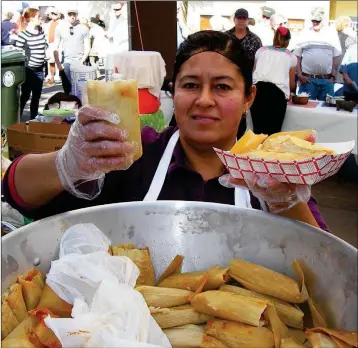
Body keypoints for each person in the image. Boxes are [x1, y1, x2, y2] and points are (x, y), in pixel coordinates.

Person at [3, 31, 327, 232]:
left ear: (249, 98)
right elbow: (18, 193)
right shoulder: (135, 152)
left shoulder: (272, 170)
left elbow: (321, 257)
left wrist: (285, 201)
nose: (204, 100)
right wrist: (66, 163)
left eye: (222, 86)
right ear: (173, 93)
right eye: (190, 85)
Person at [250, 27, 296, 135]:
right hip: (277, 94)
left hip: (258, 91)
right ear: (288, 40)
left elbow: (254, 71)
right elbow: (292, 83)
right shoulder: (291, 56)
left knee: (258, 131)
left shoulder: (261, 51)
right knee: (273, 133)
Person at [226, 8, 262, 139]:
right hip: (226, 79)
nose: (241, 21)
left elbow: (259, 62)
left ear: (247, 20)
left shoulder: (255, 40)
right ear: (234, 19)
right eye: (239, 18)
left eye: (243, 18)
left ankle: (239, 139)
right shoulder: (225, 37)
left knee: (242, 109)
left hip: (246, 79)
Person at [294, 7, 341, 101]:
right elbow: (297, 57)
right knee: (305, 111)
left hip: (327, 81)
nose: (315, 23)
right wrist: (299, 75)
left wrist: (333, 76)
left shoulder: (331, 34)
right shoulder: (304, 33)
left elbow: (336, 57)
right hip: (307, 80)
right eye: (313, 20)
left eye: (317, 21)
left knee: (327, 111)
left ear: (323, 20)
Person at [15, 8, 47, 120]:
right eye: (39, 16)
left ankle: (34, 120)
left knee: (37, 97)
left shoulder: (41, 30)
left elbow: (44, 45)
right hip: (29, 70)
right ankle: (17, 119)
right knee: (25, 96)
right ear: (32, 18)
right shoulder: (23, 34)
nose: (41, 18)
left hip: (40, 69)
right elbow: (18, 52)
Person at [53, 9, 90, 95]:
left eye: (74, 14)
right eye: (70, 14)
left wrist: (82, 61)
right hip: (66, 63)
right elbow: (55, 46)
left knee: (81, 91)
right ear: (67, 15)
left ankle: (80, 107)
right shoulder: (60, 27)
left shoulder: (84, 28)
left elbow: (87, 47)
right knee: (67, 91)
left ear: (77, 15)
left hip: (79, 63)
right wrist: (58, 64)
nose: (72, 16)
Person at [335, 16, 356, 84]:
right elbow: (353, 57)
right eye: (350, 25)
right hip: (344, 75)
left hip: (331, 74)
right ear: (346, 25)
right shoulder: (350, 38)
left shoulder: (333, 36)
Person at [43, 7, 61, 87]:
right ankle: (51, 76)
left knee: (57, 60)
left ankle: (56, 76)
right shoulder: (49, 23)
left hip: (57, 44)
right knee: (50, 61)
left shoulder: (60, 23)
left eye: (49, 14)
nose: (48, 16)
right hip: (50, 44)